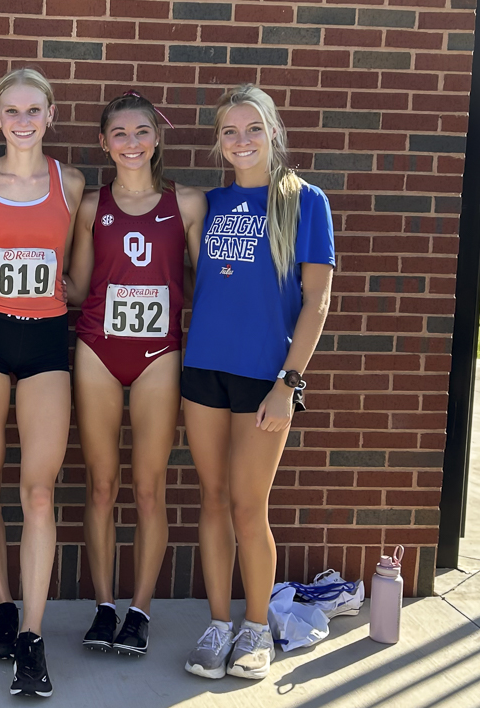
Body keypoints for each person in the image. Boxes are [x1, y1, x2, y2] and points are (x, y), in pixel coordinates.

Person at [181, 84, 335, 680]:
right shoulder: (212, 205)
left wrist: (288, 382)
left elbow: (317, 299)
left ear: (272, 132)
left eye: (252, 128)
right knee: (213, 501)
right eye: (229, 131)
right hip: (204, 372)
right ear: (219, 142)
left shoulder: (304, 201)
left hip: (265, 379)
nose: (241, 140)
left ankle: (253, 628)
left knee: (250, 507)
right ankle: (218, 624)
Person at [0, 68, 85, 698]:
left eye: (35, 109)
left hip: (44, 341)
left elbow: (79, 279)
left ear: (50, 114)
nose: (24, 120)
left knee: (38, 491)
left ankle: (32, 637)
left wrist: (67, 289)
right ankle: (3, 605)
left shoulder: (72, 182)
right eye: (13, 109)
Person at [64, 92, 206, 657]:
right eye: (118, 133)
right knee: (101, 485)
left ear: (156, 138)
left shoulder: (187, 203)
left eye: (141, 131)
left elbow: (203, 284)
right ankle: (104, 605)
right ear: (103, 142)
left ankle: (140, 609)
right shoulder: (89, 205)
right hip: (98, 348)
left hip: (158, 354)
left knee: (149, 489)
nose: (130, 142)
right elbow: (76, 287)